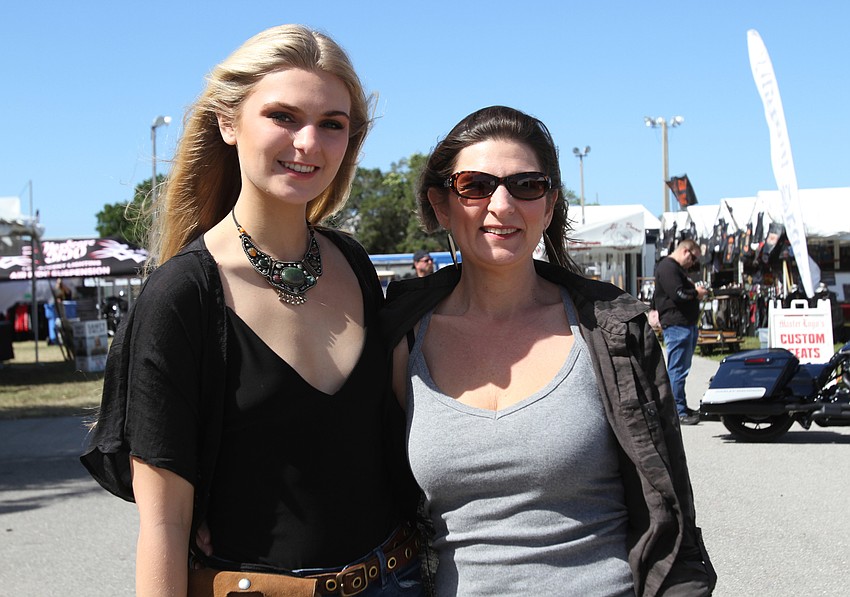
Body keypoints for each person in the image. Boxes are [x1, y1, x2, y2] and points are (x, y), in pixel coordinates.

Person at [81, 24, 422, 597]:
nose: (308, 142)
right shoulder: (183, 296)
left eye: (331, 124)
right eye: (283, 117)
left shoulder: (354, 263)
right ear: (228, 121)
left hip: (401, 578)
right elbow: (163, 526)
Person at [379, 106, 715, 596]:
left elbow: (672, 517)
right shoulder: (398, 336)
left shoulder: (611, 332)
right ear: (441, 205)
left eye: (526, 185)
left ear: (550, 203)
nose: (502, 204)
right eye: (474, 185)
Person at [653, 239, 708, 425]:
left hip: (684, 324)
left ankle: (680, 405)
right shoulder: (668, 267)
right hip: (677, 324)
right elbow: (678, 294)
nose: (693, 263)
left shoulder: (674, 268)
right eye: (693, 258)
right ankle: (677, 410)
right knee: (677, 370)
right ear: (686, 251)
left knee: (681, 369)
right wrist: (696, 293)